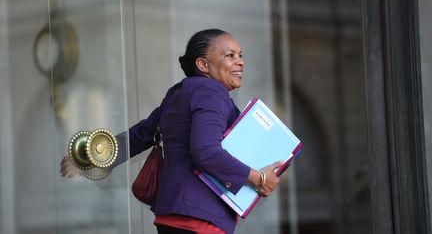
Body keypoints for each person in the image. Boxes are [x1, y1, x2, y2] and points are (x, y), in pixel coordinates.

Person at [61, 28, 283, 234]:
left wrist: (88, 158)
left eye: (240, 55)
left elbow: (141, 135)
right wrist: (259, 177)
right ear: (203, 65)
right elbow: (206, 151)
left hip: (171, 215)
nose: (240, 62)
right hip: (199, 220)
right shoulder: (212, 92)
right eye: (230, 55)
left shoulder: (179, 92)